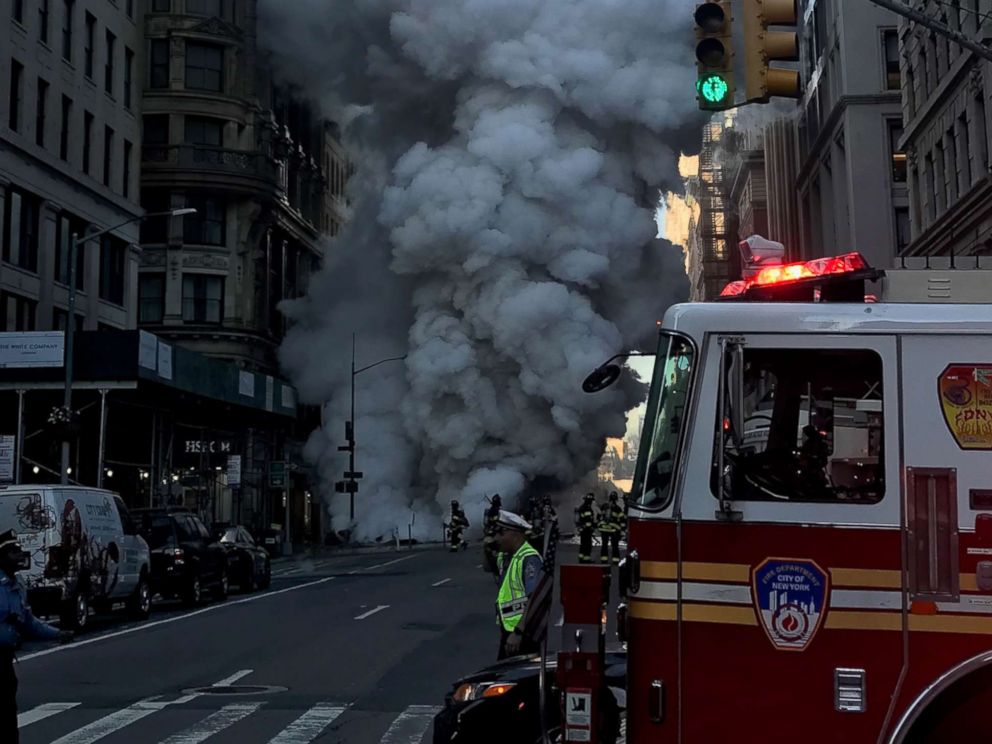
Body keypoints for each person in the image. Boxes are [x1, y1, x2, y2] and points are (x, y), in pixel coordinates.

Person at [0, 529, 73, 743]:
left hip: (5, 658)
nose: (20, 556)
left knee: (8, 712)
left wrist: (57, 633)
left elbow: (28, 621)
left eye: (20, 551)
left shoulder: (17, 585)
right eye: (14, 552)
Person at [493, 511, 543, 660]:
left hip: (523, 634)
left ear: (515, 534)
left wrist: (519, 632)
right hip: (509, 630)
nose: (497, 538)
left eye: (501, 533)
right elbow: (488, 568)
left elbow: (534, 598)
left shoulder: (529, 559)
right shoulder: (506, 556)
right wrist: (487, 548)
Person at [598, 492, 625, 565]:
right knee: (615, 546)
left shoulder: (604, 506)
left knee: (604, 545)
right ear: (616, 499)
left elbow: (600, 516)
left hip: (604, 529)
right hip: (613, 530)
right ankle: (615, 561)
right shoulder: (618, 508)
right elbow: (622, 520)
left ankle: (604, 560)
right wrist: (622, 530)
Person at [575, 493, 598, 564]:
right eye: (591, 501)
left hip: (583, 530)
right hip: (586, 530)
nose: (592, 502)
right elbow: (588, 521)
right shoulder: (587, 508)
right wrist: (594, 526)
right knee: (587, 546)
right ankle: (586, 560)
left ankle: (581, 559)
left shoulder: (582, 507)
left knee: (583, 545)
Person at [482, 494, 502, 574]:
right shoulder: (499, 511)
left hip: (493, 532)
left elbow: (487, 523)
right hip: (496, 532)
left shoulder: (491, 510)